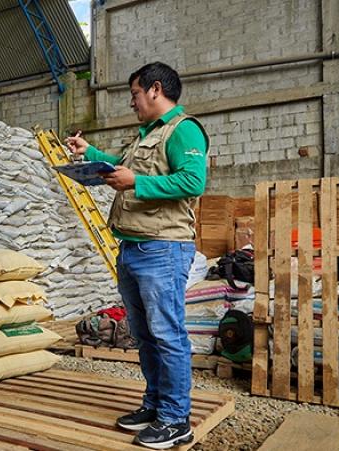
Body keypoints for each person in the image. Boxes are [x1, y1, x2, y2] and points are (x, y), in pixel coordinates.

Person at [66, 62, 208, 449]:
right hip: (133, 247)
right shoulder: (147, 135)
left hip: (163, 249)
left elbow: (194, 180)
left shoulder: (183, 131)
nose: (132, 102)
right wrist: (90, 152)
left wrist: (137, 182)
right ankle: (155, 405)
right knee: (145, 336)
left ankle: (177, 419)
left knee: (167, 335)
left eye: (134, 94)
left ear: (155, 90)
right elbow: (124, 168)